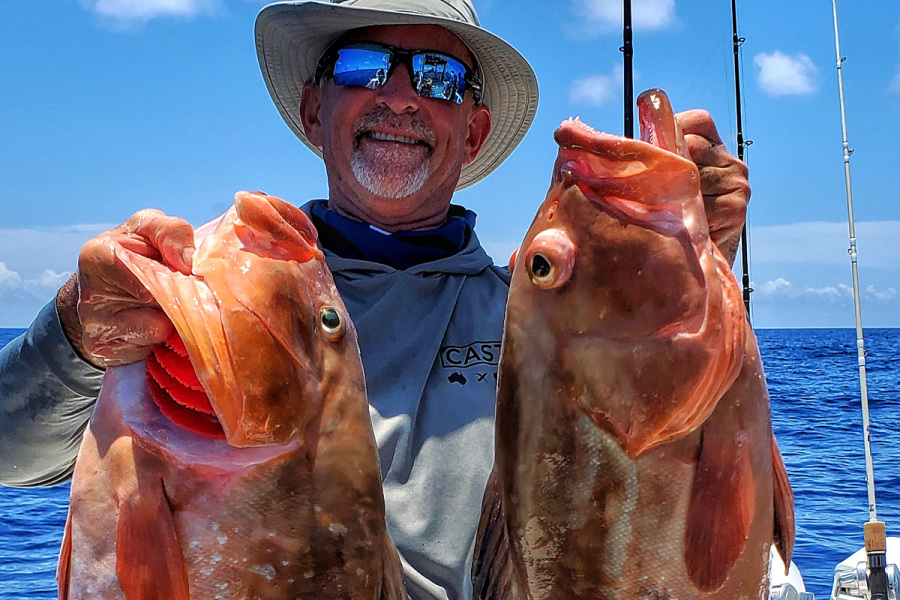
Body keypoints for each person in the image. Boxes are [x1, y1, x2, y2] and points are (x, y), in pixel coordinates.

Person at [0, 0, 750, 598]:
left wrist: (677, 270)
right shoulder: (196, 304)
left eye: (438, 76)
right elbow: (10, 457)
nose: (398, 96)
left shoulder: (540, 322)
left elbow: (661, 499)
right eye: (364, 67)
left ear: (474, 131)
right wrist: (74, 334)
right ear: (313, 110)